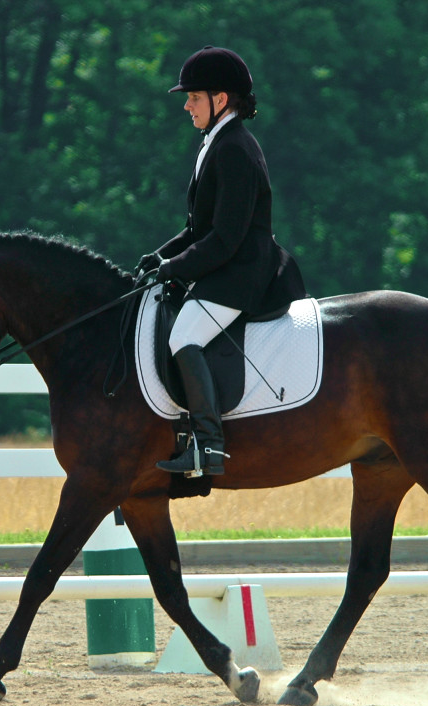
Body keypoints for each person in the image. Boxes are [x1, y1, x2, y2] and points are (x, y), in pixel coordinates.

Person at [139, 45, 306, 477]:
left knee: (183, 338)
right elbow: (197, 230)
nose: (186, 104)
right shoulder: (216, 142)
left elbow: (225, 239)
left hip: (242, 272)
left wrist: (175, 268)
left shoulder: (235, 148)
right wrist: (161, 256)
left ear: (221, 99)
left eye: (193, 97)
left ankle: (208, 445)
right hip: (224, 264)